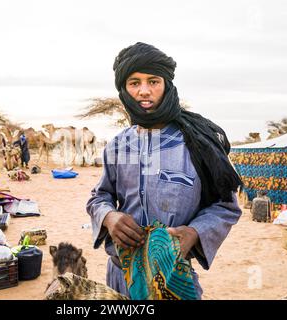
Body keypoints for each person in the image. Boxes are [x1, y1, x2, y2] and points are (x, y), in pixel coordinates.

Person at [86, 42, 243, 299]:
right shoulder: (118, 144)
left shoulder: (197, 143)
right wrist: (108, 217)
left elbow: (226, 207)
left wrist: (194, 232)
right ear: (124, 90)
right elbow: (99, 197)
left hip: (173, 277)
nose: (144, 91)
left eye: (153, 81)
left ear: (167, 85)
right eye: (134, 83)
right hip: (119, 275)